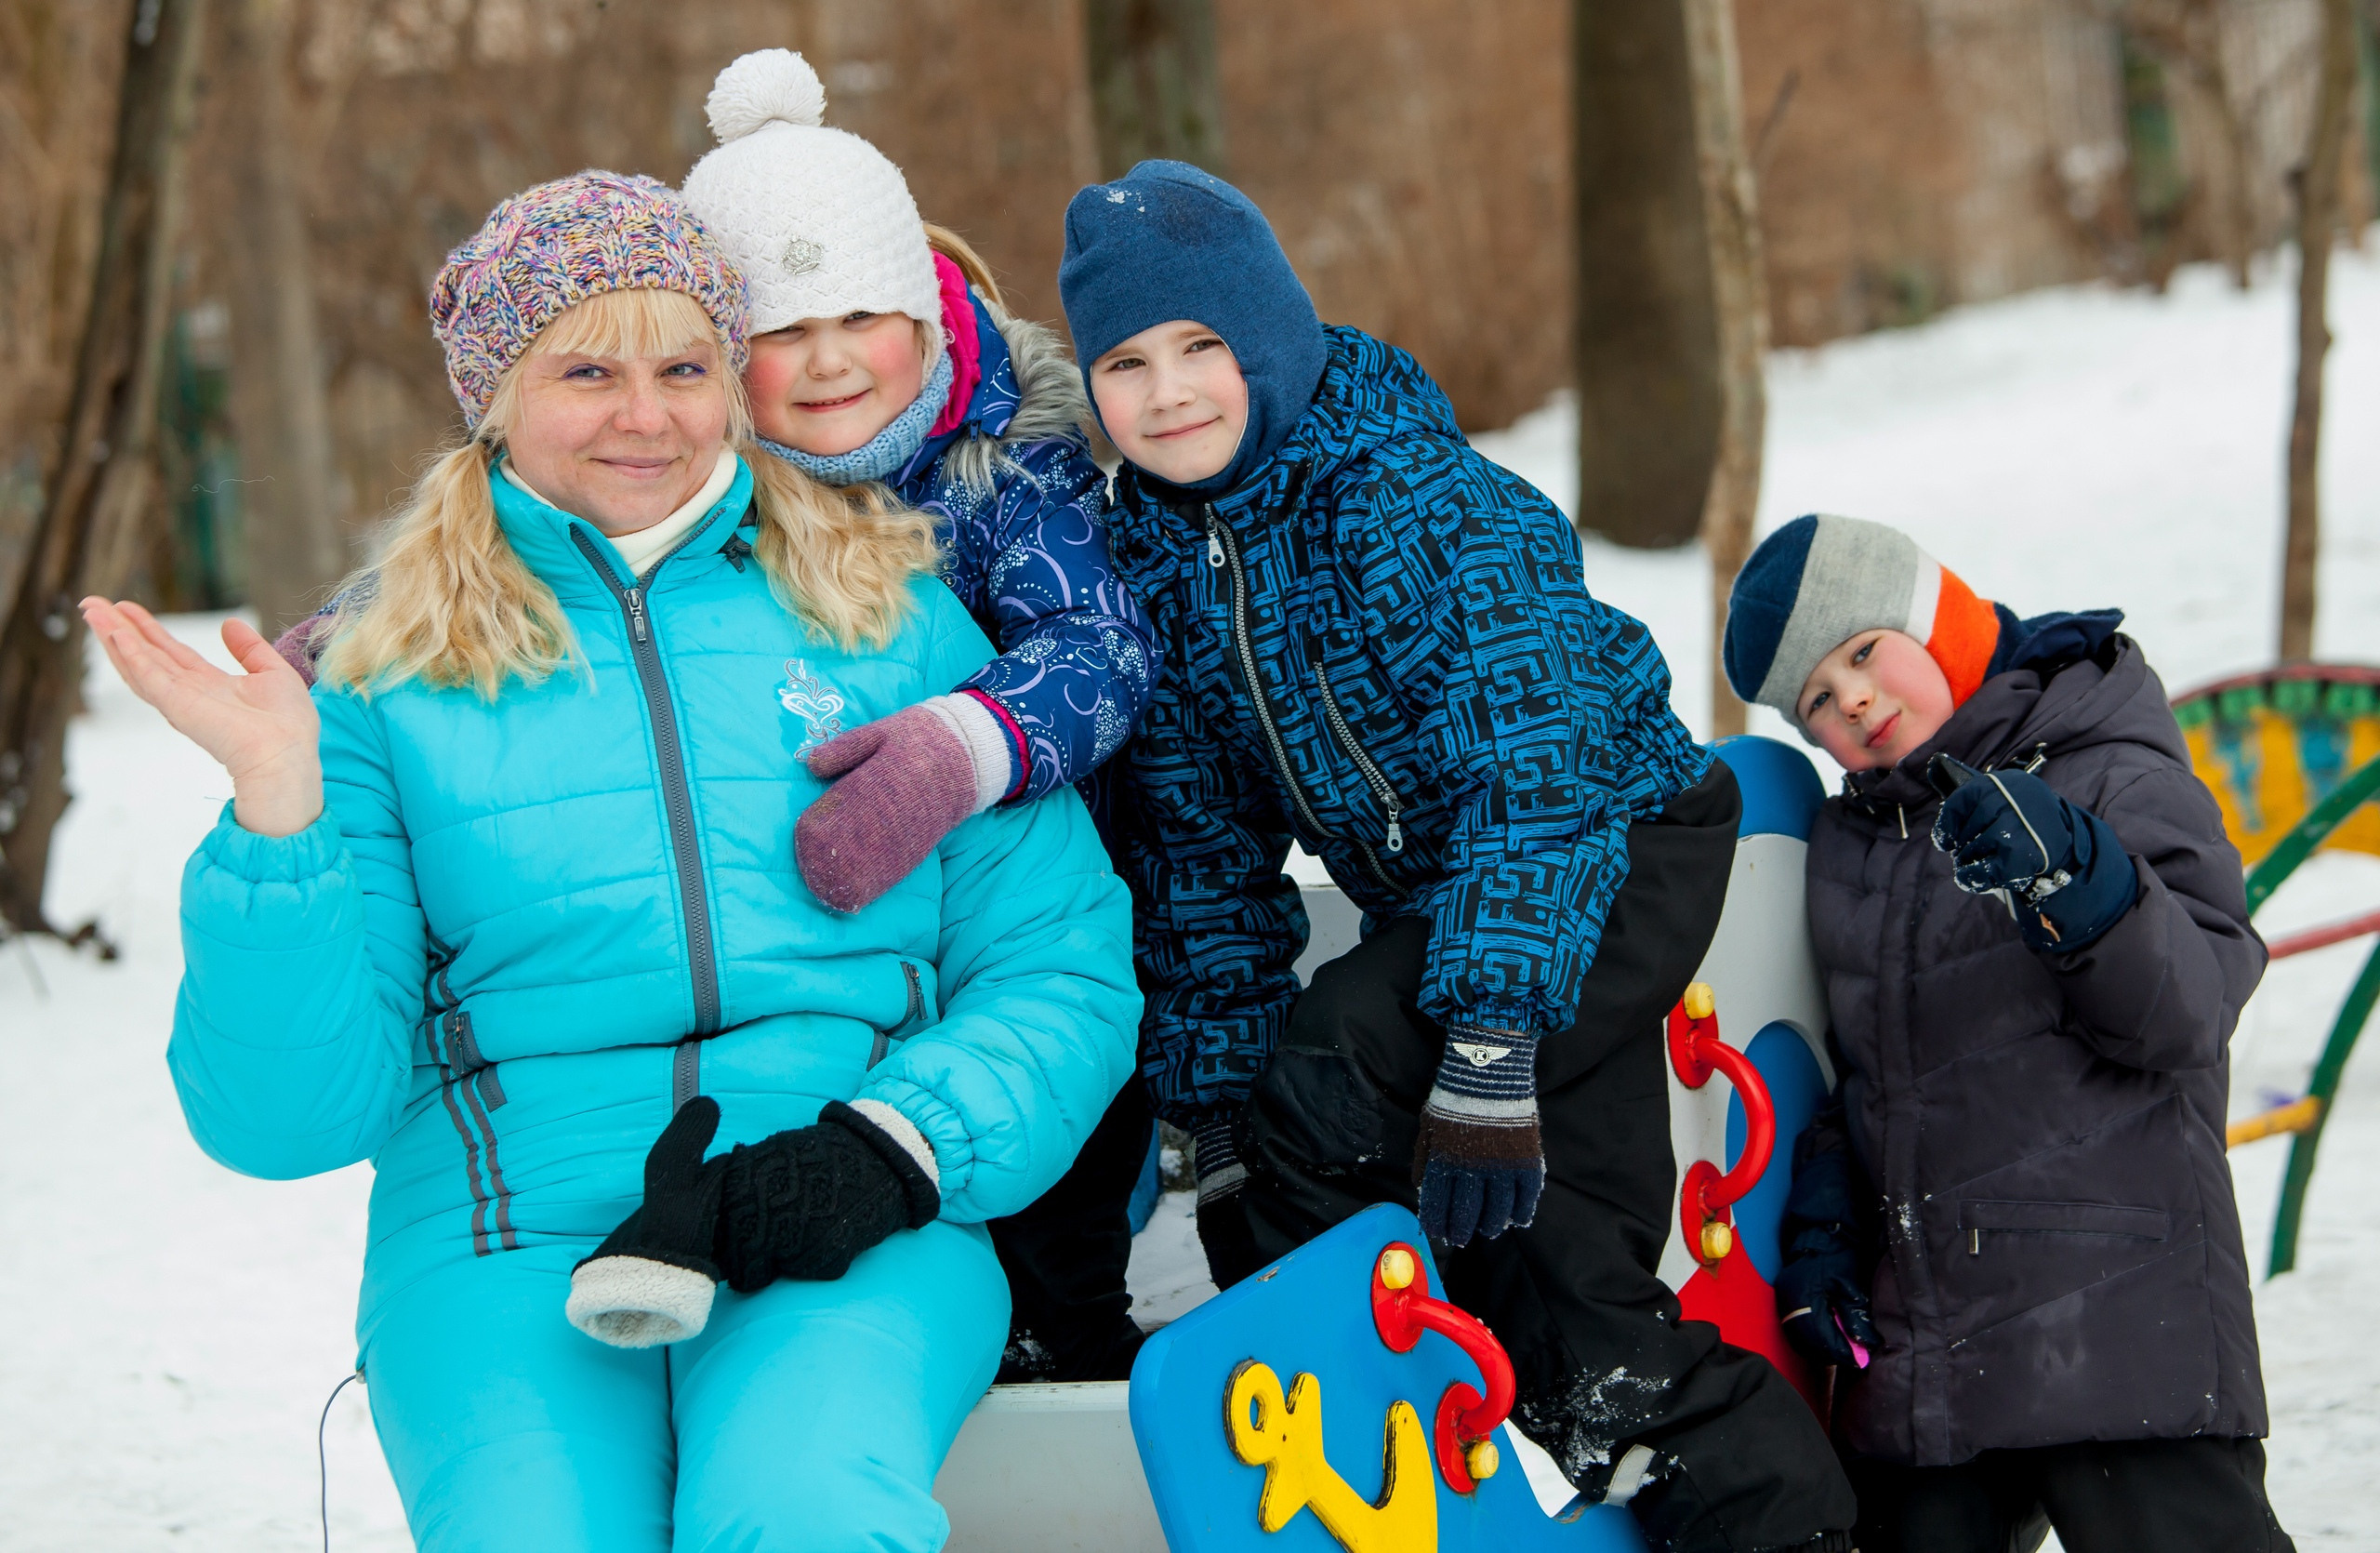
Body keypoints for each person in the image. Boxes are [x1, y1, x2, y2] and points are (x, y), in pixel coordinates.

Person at [86, 169, 1137, 1553]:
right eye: (587, 371)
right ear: (496, 396)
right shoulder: (378, 677)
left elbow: (1059, 964)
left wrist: (895, 1147)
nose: (646, 415)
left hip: (837, 1208)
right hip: (502, 1242)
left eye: (684, 367)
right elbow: (285, 1122)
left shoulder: (891, 613)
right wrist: (278, 815)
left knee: (803, 1511)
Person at [1057, 159, 1857, 1553]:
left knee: (1329, 1075)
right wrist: (1212, 1104)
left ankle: (1355, 1425)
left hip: (1613, 844)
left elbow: (1538, 769)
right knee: (1575, 1308)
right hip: (1454, 906)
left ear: (1271, 340)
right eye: (1125, 364)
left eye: (1201, 347)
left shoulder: (1412, 499)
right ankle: (1765, 1518)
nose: (1168, 392)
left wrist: (1487, 1044)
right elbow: (1201, 851)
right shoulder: (1161, 562)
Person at [675, 48, 1161, 1382]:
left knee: (1054, 1161)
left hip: (1037, 896)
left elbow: (1103, 646)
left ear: (925, 315)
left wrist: (960, 748)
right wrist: (373, 625)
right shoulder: (697, 486)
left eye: (859, 316)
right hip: (822, 916)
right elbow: (530, 527)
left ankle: (1073, 1334)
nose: (830, 362)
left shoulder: (1005, 472)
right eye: (780, 332)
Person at [1725, 513, 2292, 1553]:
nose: (1852, 699)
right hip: (1930, 1356)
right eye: (1817, 701)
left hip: (2116, 1318)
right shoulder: (1848, 849)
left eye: (1863, 650)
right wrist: (1825, 1229)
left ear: (1936, 617)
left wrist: (2078, 876)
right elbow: (1867, 1077)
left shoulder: (2105, 769)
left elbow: (2191, 1011)